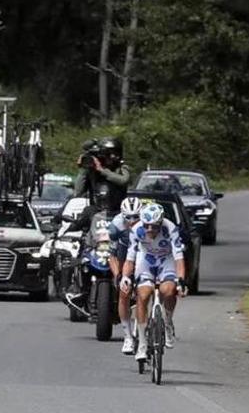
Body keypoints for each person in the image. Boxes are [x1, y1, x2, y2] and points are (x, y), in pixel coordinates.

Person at [120, 202, 187, 361]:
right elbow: (130, 259)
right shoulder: (136, 230)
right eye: (147, 226)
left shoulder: (170, 228)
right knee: (143, 295)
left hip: (166, 260)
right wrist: (125, 277)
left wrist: (181, 281)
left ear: (161, 222)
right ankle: (142, 344)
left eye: (154, 226)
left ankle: (168, 322)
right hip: (146, 261)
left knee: (168, 290)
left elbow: (179, 258)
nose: (150, 230)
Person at [109, 197, 143, 355]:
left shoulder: (148, 223)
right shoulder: (116, 226)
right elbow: (113, 255)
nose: (132, 221)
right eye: (128, 217)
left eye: (136, 217)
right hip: (124, 257)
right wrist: (118, 275)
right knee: (124, 293)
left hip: (143, 257)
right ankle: (128, 336)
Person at [72, 137, 131, 216]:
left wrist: (102, 170)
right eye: (109, 153)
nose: (113, 156)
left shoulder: (122, 168)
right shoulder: (92, 170)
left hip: (117, 212)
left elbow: (124, 180)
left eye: (115, 153)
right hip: (96, 213)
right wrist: (84, 170)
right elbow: (78, 192)